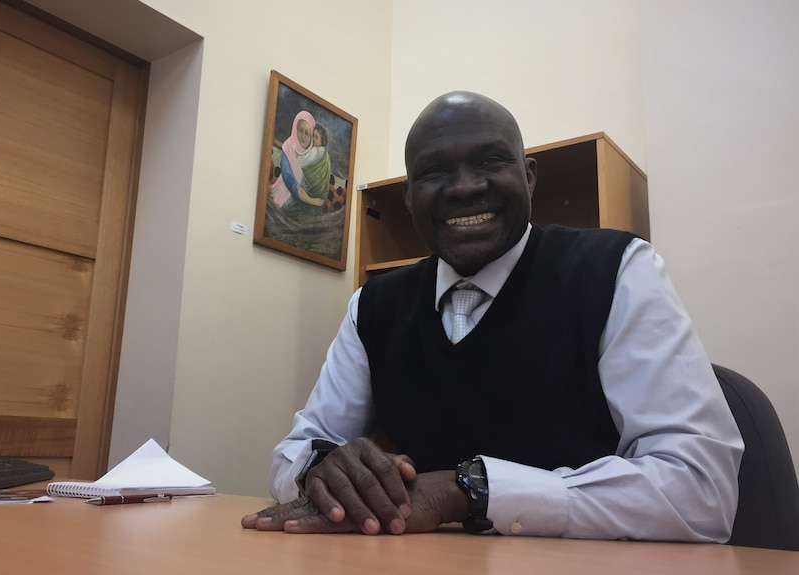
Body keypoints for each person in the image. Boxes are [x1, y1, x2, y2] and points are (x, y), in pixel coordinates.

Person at [243, 91, 744, 541]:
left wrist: (470, 490)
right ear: (410, 196)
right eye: (435, 172)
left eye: (490, 161)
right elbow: (296, 450)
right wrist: (323, 469)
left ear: (528, 176)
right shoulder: (373, 306)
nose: (464, 188)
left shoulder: (618, 272)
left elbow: (702, 490)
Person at [269, 110, 325, 210]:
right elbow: (288, 179)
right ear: (295, 129)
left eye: (307, 133)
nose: (303, 136)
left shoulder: (314, 155)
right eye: (300, 130)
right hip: (283, 201)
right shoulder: (288, 148)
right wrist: (310, 200)